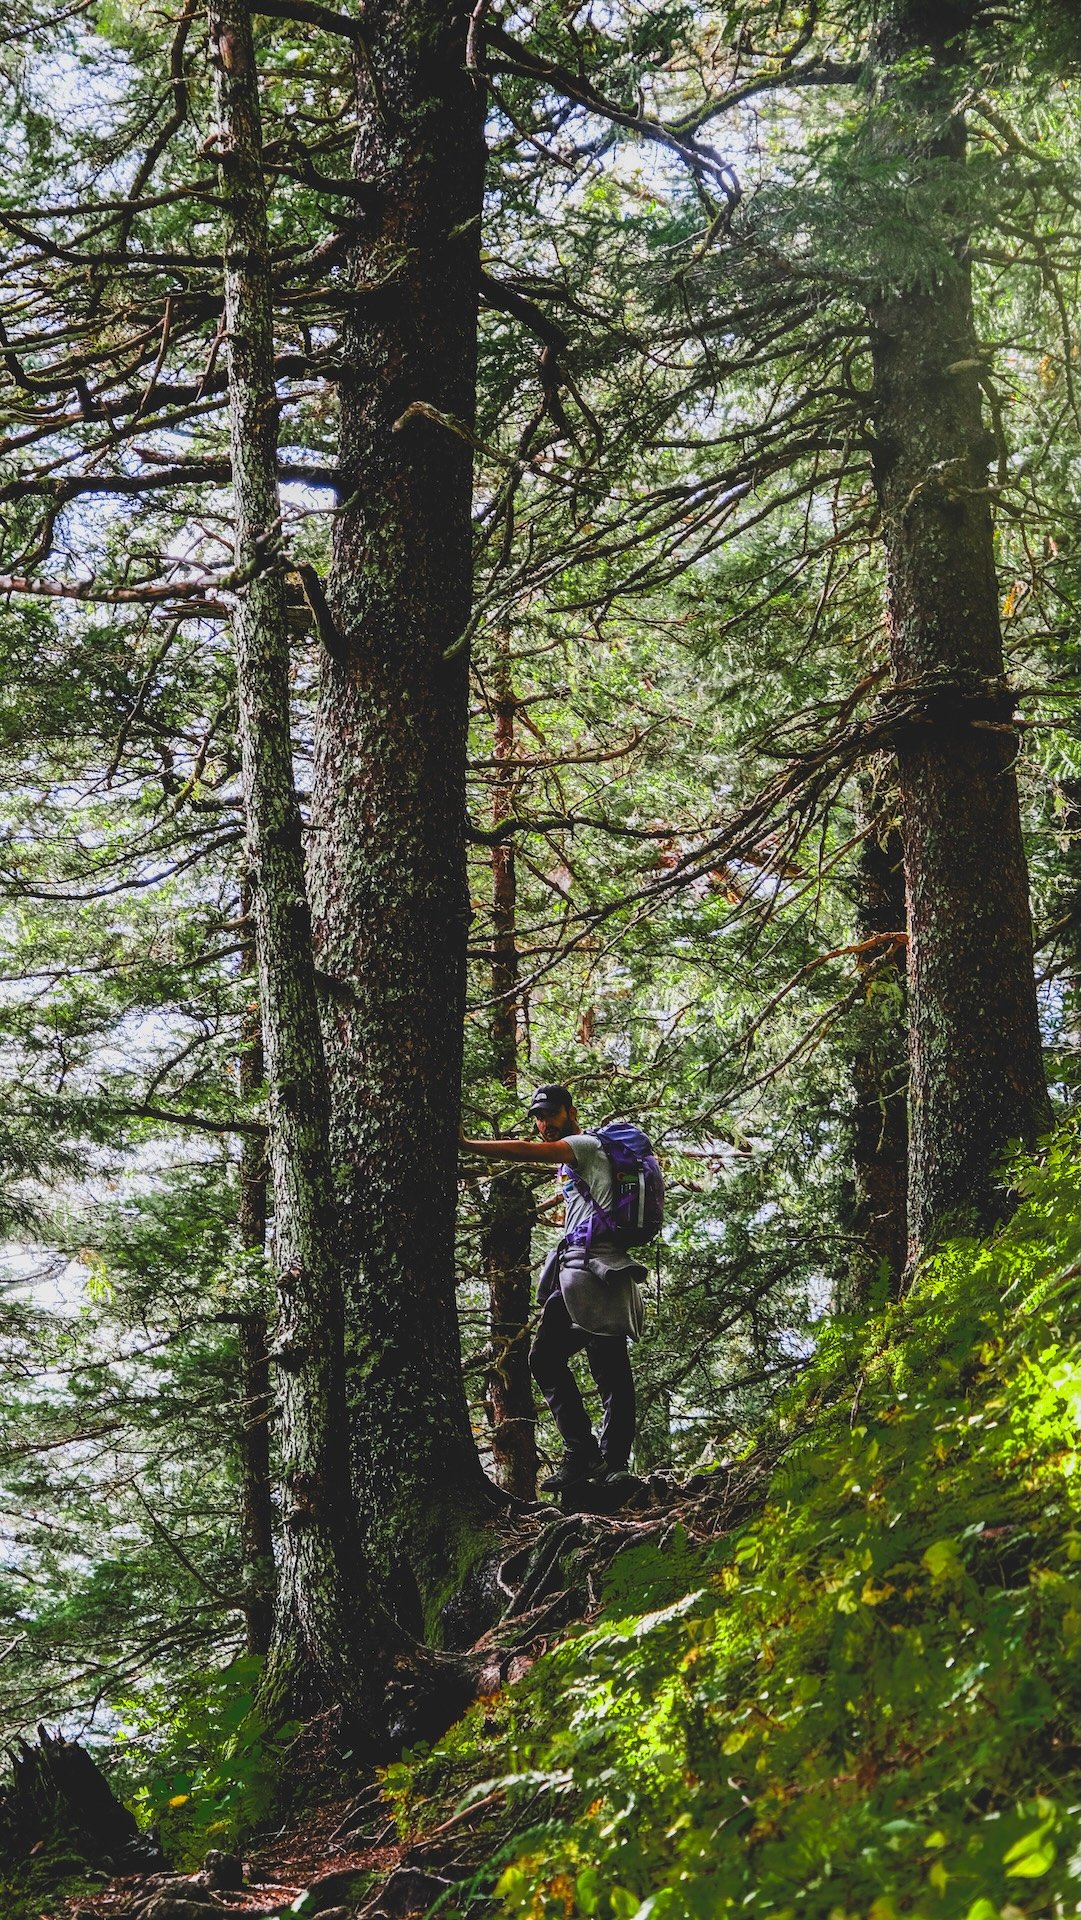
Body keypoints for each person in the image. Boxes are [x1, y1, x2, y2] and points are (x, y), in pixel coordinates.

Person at [461, 1083, 647, 1493]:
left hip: (600, 1274)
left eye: (550, 1115)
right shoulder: (580, 1159)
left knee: (606, 1368)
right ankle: (588, 1455)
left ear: (569, 1111)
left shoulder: (583, 1145)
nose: (544, 1124)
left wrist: (468, 1144)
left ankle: (609, 1462)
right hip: (580, 1272)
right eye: (539, 1118)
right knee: (549, 1358)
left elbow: (525, 1151)